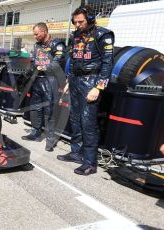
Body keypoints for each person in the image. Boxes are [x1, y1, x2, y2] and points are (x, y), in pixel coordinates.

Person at [57, 6, 114, 175]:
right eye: (75, 22)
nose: (77, 24)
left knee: (88, 123)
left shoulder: (103, 35)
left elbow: (107, 63)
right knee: (75, 119)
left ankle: (90, 162)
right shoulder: (76, 35)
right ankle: (76, 152)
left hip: (92, 81)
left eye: (80, 21)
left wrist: (98, 86)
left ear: (90, 18)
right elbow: (73, 59)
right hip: (75, 80)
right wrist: (68, 79)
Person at [21, 22, 66, 152]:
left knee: (49, 111)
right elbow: (34, 62)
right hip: (37, 81)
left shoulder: (57, 44)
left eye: (36, 34)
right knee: (35, 108)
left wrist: (42, 67)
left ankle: (50, 139)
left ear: (44, 31)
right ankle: (35, 132)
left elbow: (57, 64)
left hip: (51, 81)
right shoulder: (37, 46)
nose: (34, 36)